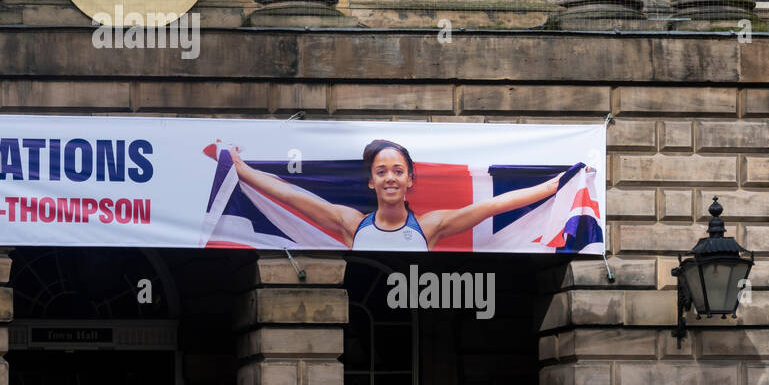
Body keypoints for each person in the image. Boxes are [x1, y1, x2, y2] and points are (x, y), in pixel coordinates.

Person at [223, 137, 578, 251]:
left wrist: (554, 186)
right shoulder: (350, 224)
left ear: (410, 180)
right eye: (381, 172)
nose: (389, 178)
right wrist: (241, 170)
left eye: (397, 171)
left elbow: (492, 206)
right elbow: (292, 196)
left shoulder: (429, 227)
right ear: (371, 182)